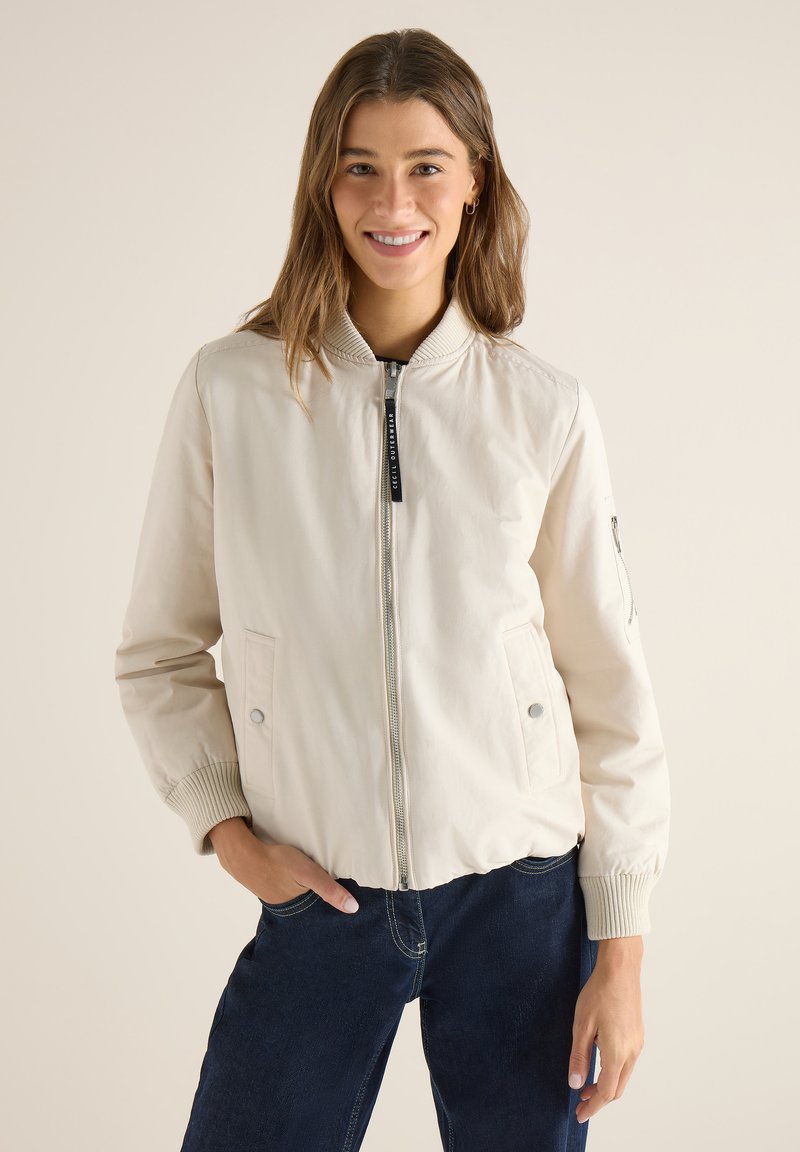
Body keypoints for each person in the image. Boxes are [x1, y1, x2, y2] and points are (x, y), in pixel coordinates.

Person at [114, 27, 670, 1152]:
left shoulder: (542, 411)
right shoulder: (232, 391)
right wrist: (232, 834)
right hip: (320, 896)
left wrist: (619, 950)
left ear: (474, 183)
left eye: (425, 166)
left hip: (519, 900)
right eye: (360, 166)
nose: (392, 201)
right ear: (324, 184)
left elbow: (610, 691)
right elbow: (159, 655)